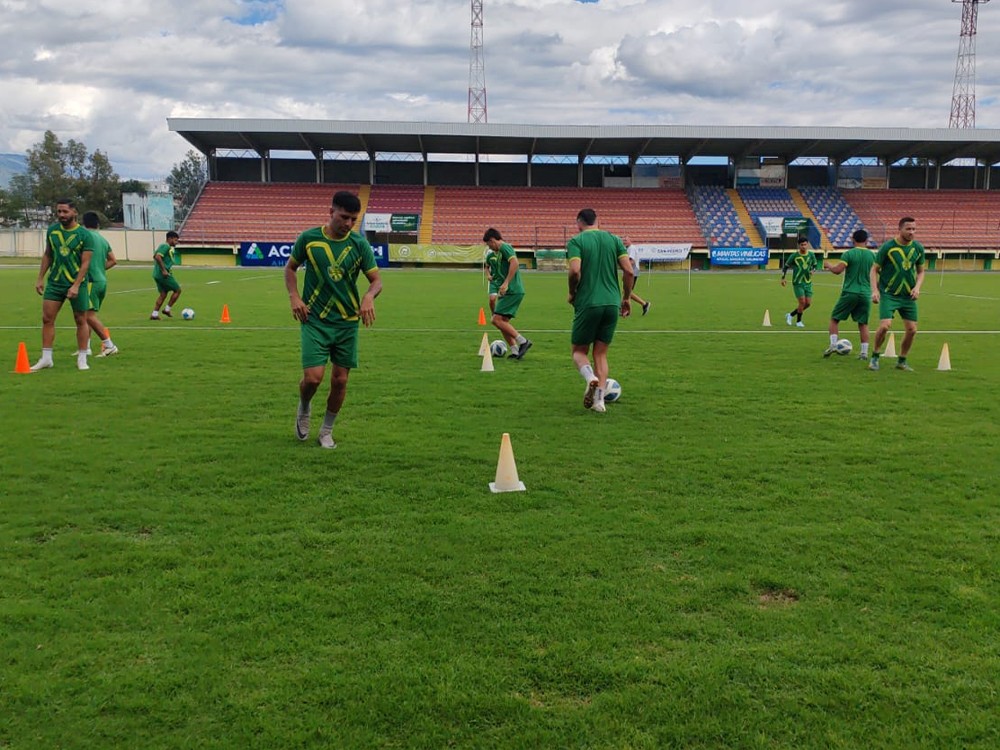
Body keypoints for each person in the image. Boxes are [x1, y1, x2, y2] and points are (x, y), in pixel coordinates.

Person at [285, 191, 383, 449]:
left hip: (347, 322)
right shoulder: (309, 238)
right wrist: (294, 296)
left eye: (353, 219)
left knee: (340, 380)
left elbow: (376, 280)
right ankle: (304, 407)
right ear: (331, 212)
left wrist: (369, 296)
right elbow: (290, 268)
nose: (349, 224)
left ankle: (326, 430)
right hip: (314, 320)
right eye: (344, 217)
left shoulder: (359, 245)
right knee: (313, 378)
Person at [566, 208, 634, 413]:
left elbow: (575, 270)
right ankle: (599, 402)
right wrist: (627, 298)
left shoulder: (576, 242)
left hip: (588, 302)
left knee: (579, 351)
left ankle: (590, 378)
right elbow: (629, 271)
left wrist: (572, 292)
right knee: (601, 354)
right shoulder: (614, 240)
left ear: (579, 223)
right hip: (612, 303)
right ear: (598, 221)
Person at [30, 198, 94, 371]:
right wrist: (40, 278)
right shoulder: (52, 231)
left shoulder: (85, 235)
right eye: (59, 211)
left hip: (76, 284)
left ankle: (82, 358)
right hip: (55, 283)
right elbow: (48, 255)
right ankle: (46, 358)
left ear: (74, 212)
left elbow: (85, 264)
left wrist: (75, 285)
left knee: (81, 319)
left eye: (65, 211)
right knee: (47, 319)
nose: (61, 215)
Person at [868, 217, 925, 372]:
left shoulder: (918, 248)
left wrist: (917, 287)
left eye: (914, 229)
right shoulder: (888, 247)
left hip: (908, 296)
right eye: (908, 229)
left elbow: (921, 272)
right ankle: (874, 356)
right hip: (889, 294)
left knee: (912, 329)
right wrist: (875, 290)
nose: (912, 232)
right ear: (899, 229)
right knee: (885, 326)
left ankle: (902, 360)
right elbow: (874, 269)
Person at [822, 228, 875, 360]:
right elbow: (876, 275)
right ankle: (864, 353)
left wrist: (829, 265)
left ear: (853, 240)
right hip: (865, 293)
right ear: (866, 240)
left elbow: (838, 270)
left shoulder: (849, 254)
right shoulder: (872, 256)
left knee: (835, 319)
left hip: (850, 291)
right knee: (863, 323)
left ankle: (833, 345)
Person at [482, 228, 532, 359]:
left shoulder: (505, 247)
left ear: (492, 240)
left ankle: (523, 341)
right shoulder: (497, 252)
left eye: (489, 244)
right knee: (503, 322)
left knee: (496, 319)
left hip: (513, 290)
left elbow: (515, 262)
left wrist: (506, 283)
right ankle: (515, 351)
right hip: (510, 291)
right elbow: (488, 266)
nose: (490, 248)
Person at [81, 211, 119, 357]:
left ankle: (109, 345)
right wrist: (99, 269)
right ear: (97, 224)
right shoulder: (103, 240)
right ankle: (86, 347)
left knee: (88, 316)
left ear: (84, 224)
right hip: (101, 280)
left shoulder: (85, 237)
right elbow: (113, 260)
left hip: (91, 281)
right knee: (87, 315)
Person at [780, 237, 819, 327]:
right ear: (799, 245)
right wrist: (783, 278)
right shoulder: (794, 256)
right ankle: (798, 321)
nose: (804, 246)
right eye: (802, 245)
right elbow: (785, 267)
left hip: (807, 282)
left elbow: (815, 265)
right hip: (798, 282)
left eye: (805, 244)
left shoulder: (811, 255)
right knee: (802, 302)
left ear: (807, 244)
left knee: (808, 303)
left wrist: (813, 270)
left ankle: (790, 315)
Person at [150, 231, 181, 319]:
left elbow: (155, 255)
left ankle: (154, 314)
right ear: (169, 239)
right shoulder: (165, 246)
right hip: (163, 274)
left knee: (163, 294)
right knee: (178, 290)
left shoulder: (165, 247)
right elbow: (157, 257)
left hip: (157, 274)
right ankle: (167, 309)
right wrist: (164, 270)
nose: (176, 242)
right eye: (175, 240)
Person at [624, 237, 651, 316]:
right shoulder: (629, 248)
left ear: (630, 241)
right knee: (627, 292)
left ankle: (644, 304)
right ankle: (627, 311)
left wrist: (625, 268)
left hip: (633, 271)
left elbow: (631, 261)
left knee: (627, 292)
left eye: (626, 240)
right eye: (624, 241)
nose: (625, 242)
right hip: (632, 271)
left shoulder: (631, 248)